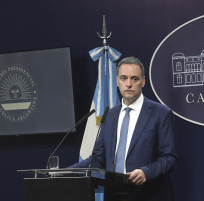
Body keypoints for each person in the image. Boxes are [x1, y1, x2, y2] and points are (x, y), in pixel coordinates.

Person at [70, 56, 178, 201]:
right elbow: (98, 158)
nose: (128, 84)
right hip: (114, 195)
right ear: (117, 81)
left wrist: (146, 172)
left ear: (143, 82)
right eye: (123, 78)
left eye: (134, 79)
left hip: (148, 194)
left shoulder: (161, 113)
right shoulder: (110, 115)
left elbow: (170, 158)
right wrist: (68, 171)